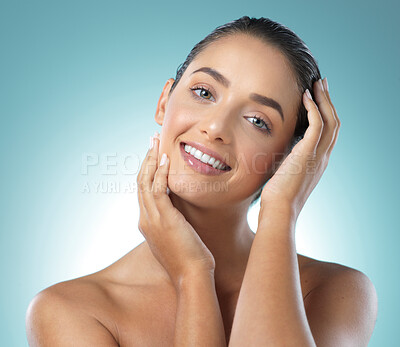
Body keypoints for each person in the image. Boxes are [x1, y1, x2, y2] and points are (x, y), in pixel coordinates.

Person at [26, 16, 378, 346]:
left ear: (289, 159)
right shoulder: (68, 310)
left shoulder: (334, 292)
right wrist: (193, 274)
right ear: (165, 100)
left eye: (257, 120)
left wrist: (282, 209)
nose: (216, 128)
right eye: (204, 93)